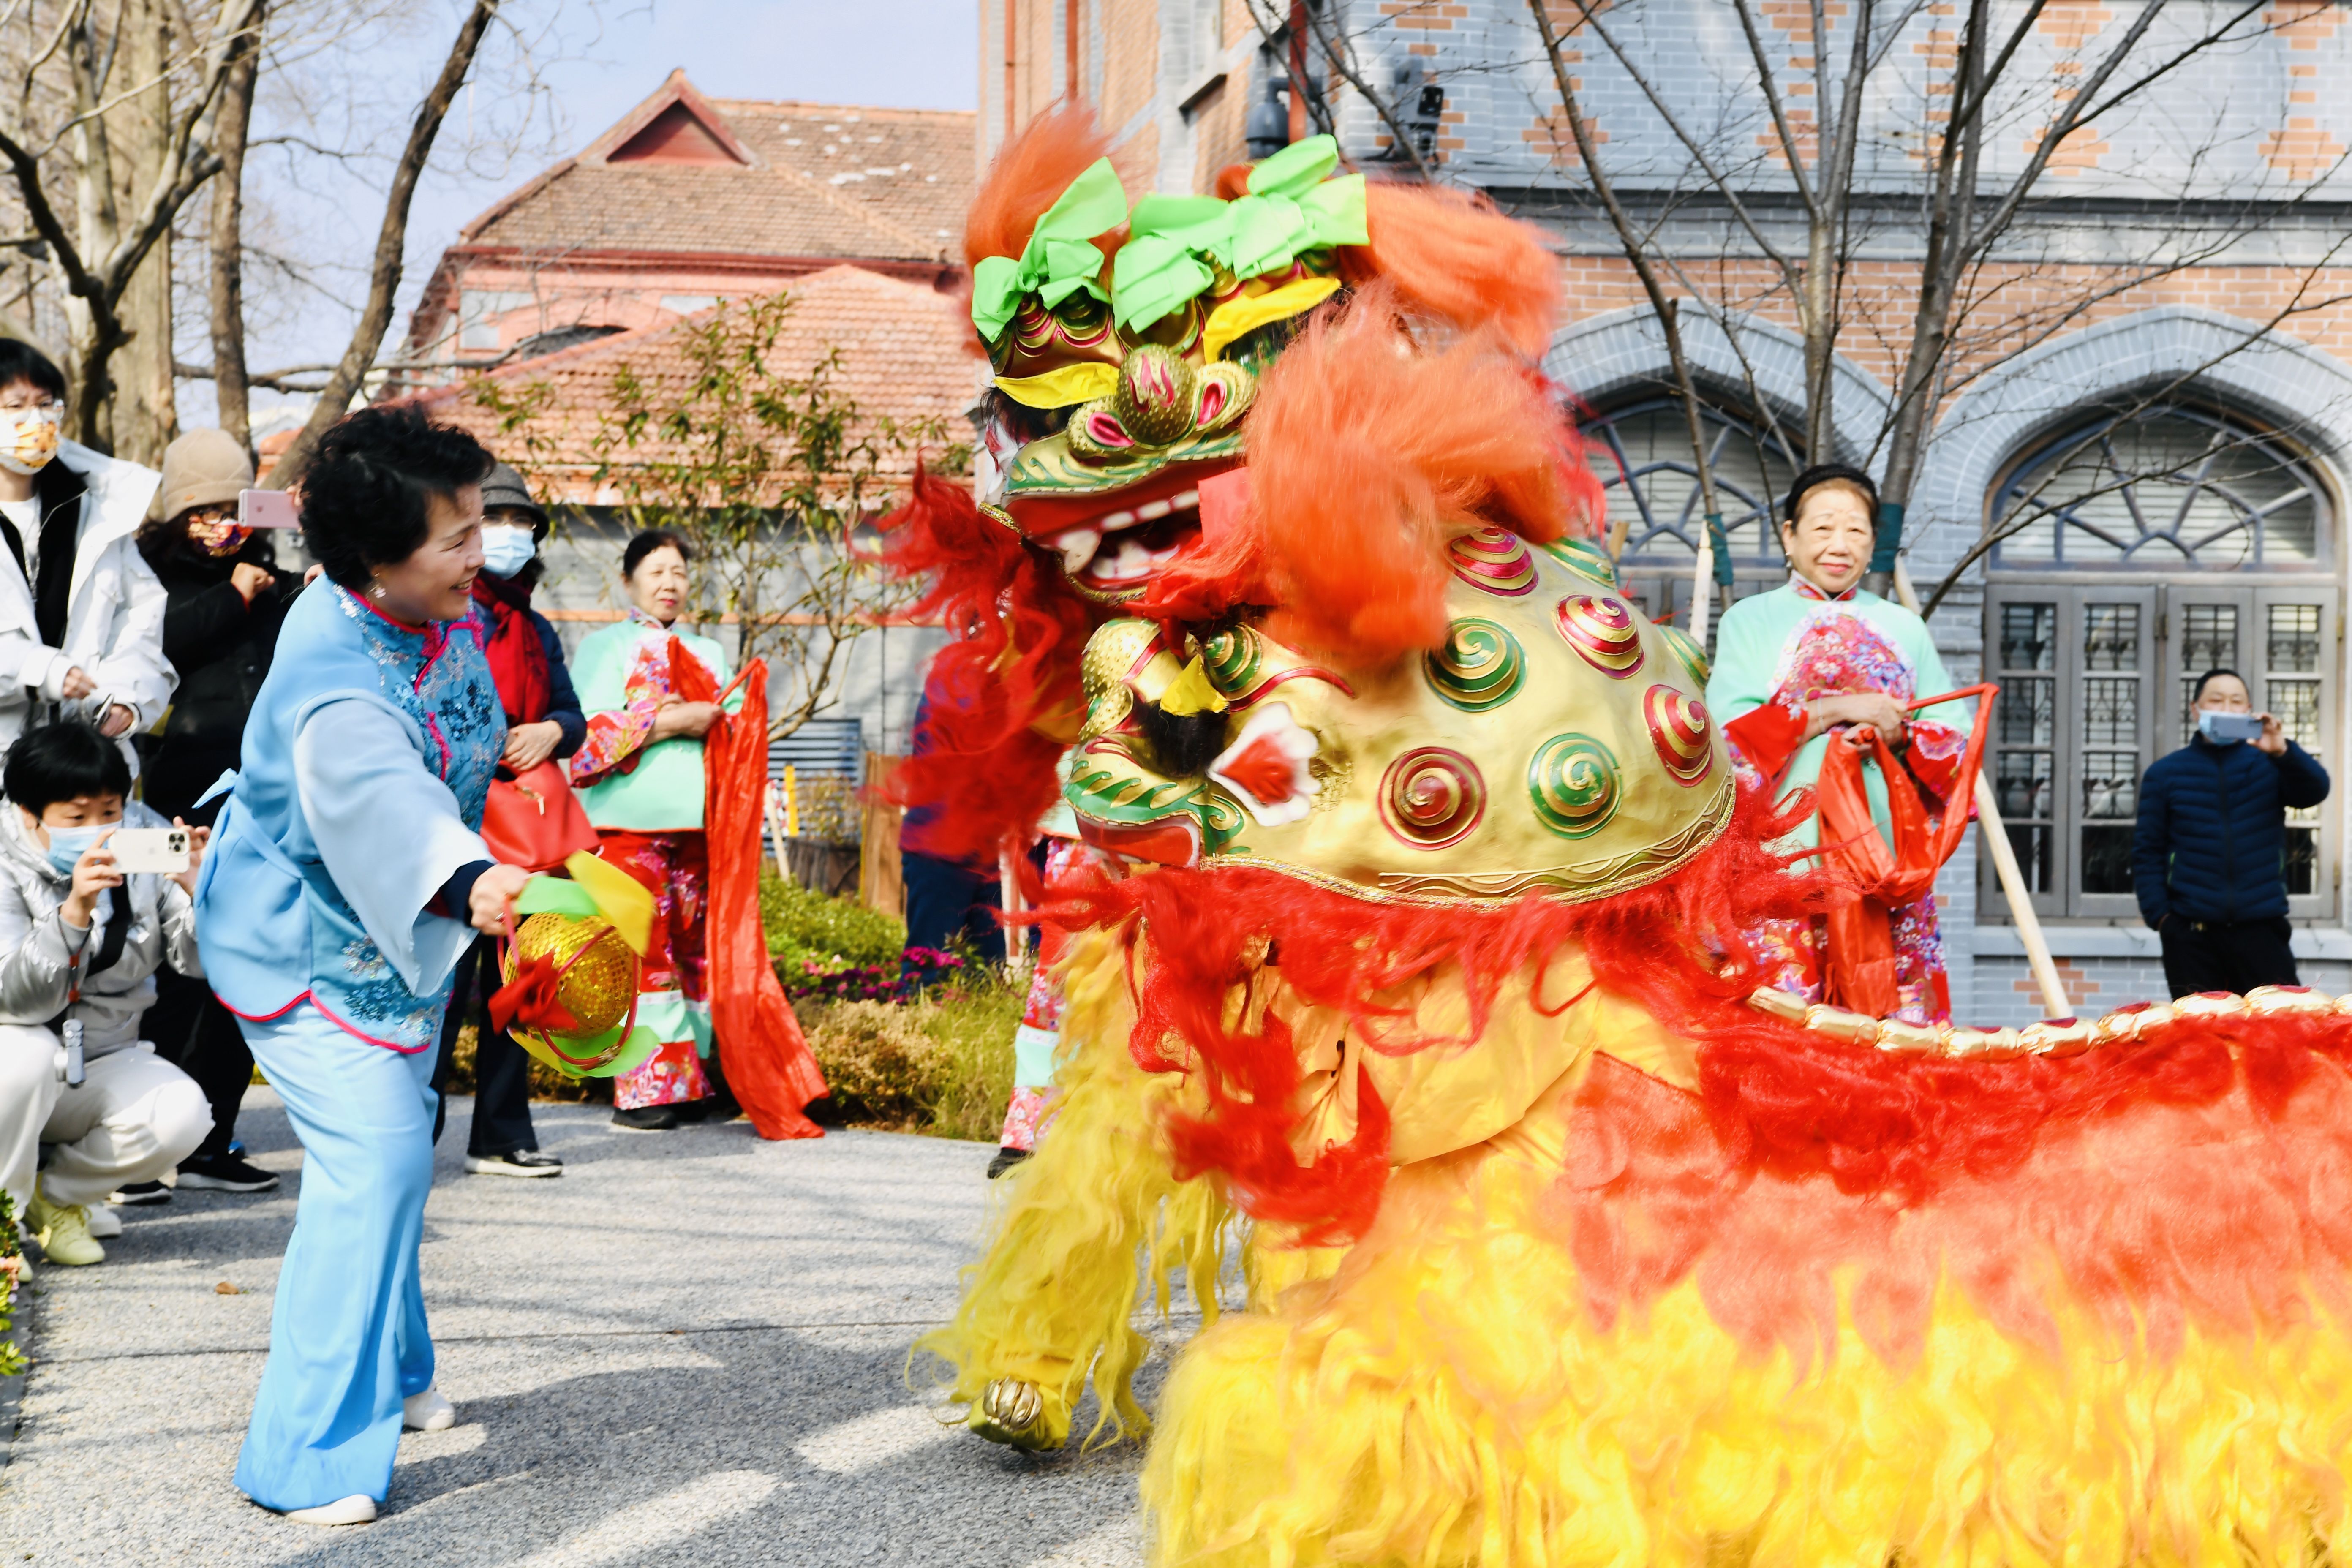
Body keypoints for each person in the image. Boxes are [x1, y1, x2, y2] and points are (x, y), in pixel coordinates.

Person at [193, 406, 531, 1527]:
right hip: (304, 946)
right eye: (456, 537)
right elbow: (382, 795)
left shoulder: (436, 613)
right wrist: (474, 880)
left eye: (480, 525)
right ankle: (306, 1455)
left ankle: (393, 1370)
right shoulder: (335, 676)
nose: (479, 554)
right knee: (376, 1165)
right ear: (372, 559)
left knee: (401, 1144)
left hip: (400, 944)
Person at [1706, 463, 1976, 1024]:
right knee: (1780, 1015)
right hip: (1785, 854)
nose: (1839, 545)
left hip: (1884, 853)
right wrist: (1839, 708)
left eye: (1856, 531)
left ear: (1874, 543)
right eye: (1824, 527)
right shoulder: (1750, 620)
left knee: (1896, 1021)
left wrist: (1899, 732)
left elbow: (1954, 742)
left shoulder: (1906, 627)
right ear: (1790, 535)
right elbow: (1728, 737)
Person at [132, 427, 301, 1197]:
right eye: (198, 512)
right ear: (173, 514)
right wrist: (231, 597)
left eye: (229, 509)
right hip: (166, 802)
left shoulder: (275, 578)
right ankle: (139, 1143)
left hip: (258, 801)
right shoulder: (143, 576)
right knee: (170, 970)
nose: (215, 526)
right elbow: (157, 651)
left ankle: (211, 1136)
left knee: (241, 965)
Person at [0, 721, 213, 1266]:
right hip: (14, 1055)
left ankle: (55, 1198)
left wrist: (204, 894)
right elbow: (16, 999)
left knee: (181, 1113)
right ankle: (3, 1220)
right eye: (76, 817)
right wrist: (73, 913)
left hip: (98, 1055)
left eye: (111, 810)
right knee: (27, 1055)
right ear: (28, 812)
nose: (98, 829)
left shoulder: (147, 838)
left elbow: (196, 966)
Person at [427, 463, 582, 1176]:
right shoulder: (443, 616)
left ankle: (501, 1132)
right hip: (453, 817)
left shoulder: (535, 625)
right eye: (499, 521)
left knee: (517, 975)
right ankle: (410, 1129)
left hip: (520, 822)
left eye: (524, 524)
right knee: (442, 981)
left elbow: (572, 715)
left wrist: (551, 730)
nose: (513, 535)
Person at [566, 530, 730, 1132]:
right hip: (626, 826)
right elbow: (584, 737)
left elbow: (734, 732)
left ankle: (696, 1077)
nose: (670, 583)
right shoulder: (604, 648)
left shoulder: (711, 653)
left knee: (694, 951)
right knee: (641, 950)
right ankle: (644, 1087)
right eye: (657, 571)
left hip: (697, 826)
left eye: (680, 573)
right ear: (628, 580)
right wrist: (668, 722)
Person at [0, 340, 172, 766]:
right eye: (15, 406)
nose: (34, 420)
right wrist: (38, 670)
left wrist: (125, 699)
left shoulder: (100, 511)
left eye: (46, 404)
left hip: (86, 770)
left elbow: (140, 620)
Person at [2133, 667, 2330, 997]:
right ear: (2196, 709)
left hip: (2262, 930)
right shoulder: (2166, 773)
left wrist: (2283, 750)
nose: (2226, 708)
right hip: (2192, 935)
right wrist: (2163, 920)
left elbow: (2315, 790)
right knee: (2201, 1040)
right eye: (2216, 700)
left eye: (2236, 701)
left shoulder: (2269, 763)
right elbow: (2147, 851)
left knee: (2279, 1032)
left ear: (2249, 711)